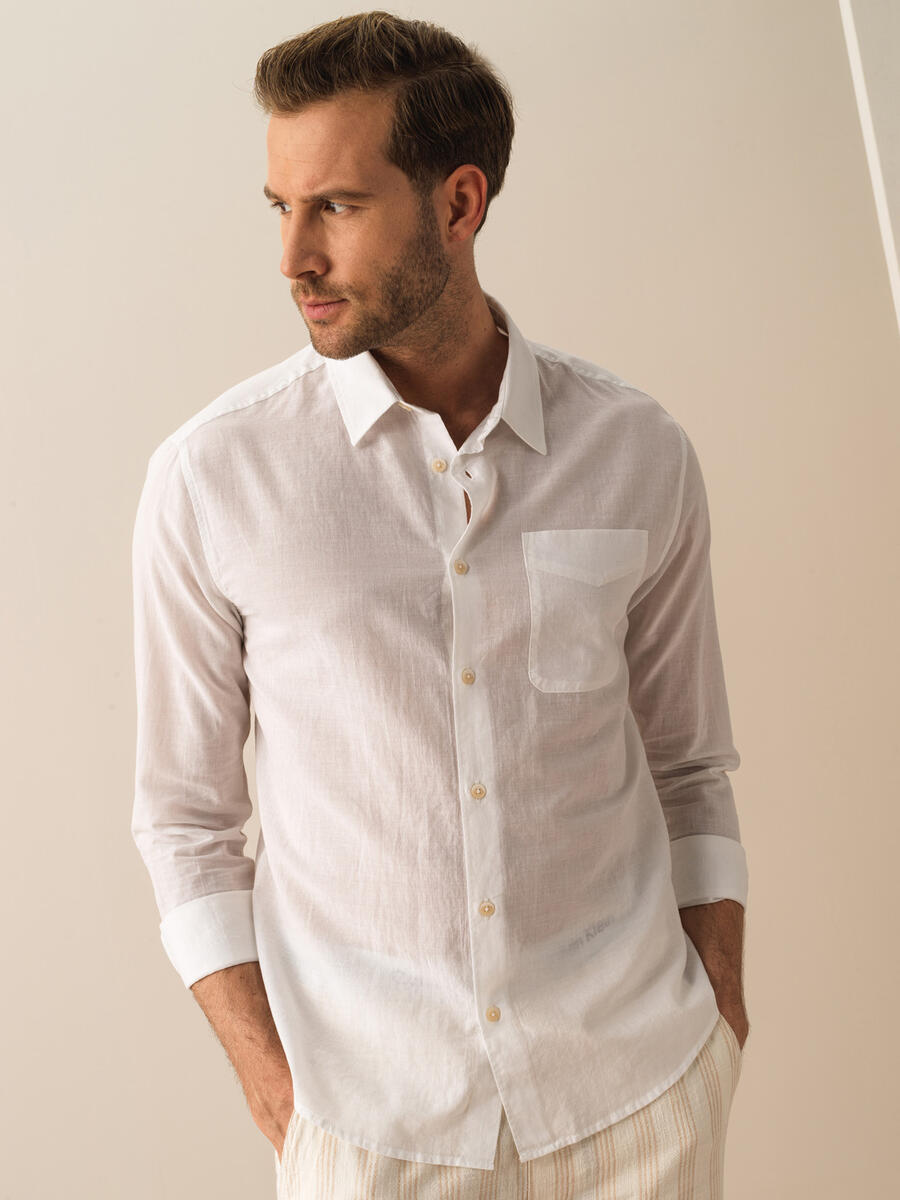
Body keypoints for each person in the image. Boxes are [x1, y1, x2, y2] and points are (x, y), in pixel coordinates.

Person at [131, 10, 750, 1199]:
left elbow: (690, 767)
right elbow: (184, 823)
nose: (293, 257)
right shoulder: (214, 478)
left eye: (336, 207)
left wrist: (717, 1010)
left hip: (637, 1103)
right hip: (371, 1129)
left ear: (459, 204)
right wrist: (279, 1093)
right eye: (280, 207)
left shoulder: (636, 451)